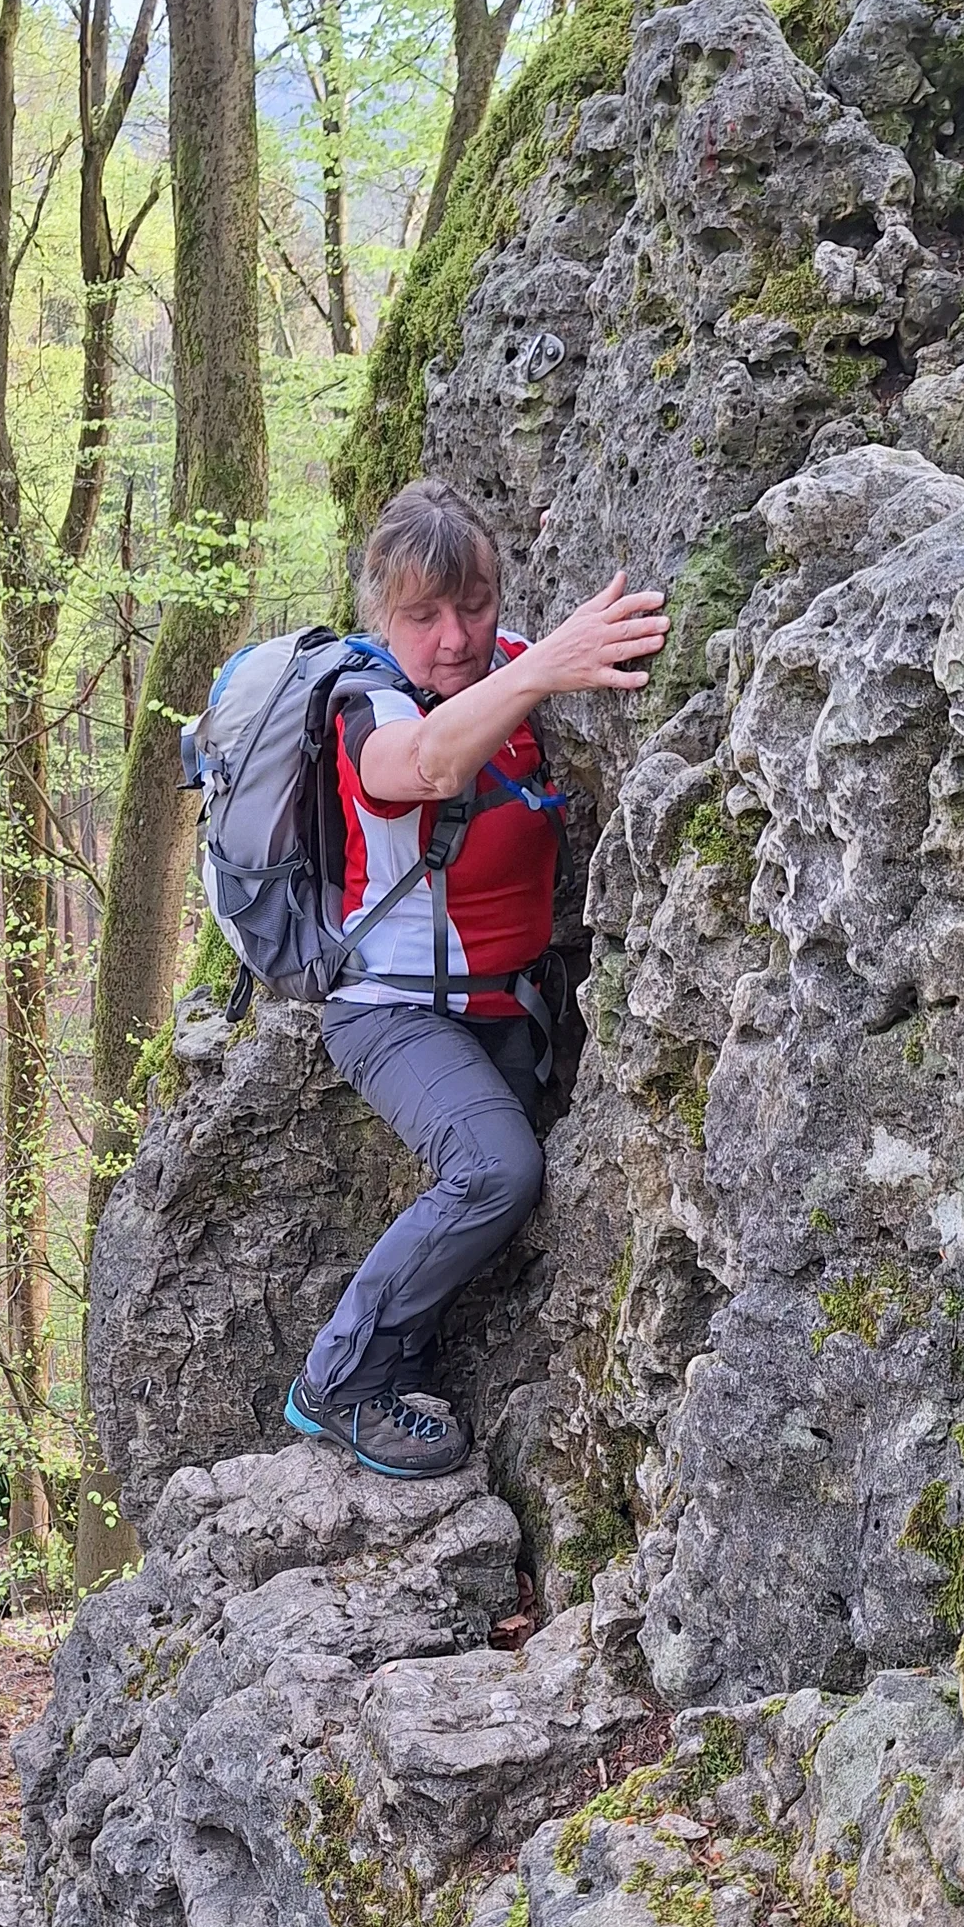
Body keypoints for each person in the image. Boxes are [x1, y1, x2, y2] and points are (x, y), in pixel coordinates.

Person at [285, 479, 668, 1478]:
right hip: (390, 1013)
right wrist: (543, 666)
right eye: (423, 615)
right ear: (380, 616)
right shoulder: (365, 702)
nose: (453, 637)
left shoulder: (511, 667)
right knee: (497, 1169)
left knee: (514, 1186)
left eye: (475, 606)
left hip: (509, 1007)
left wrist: (540, 658)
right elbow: (427, 767)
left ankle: (407, 1354)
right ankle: (340, 1377)